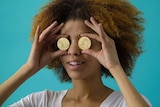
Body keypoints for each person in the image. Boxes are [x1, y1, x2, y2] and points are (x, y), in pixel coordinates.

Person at [0, 0, 152, 106]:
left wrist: (115, 66)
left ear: (107, 45)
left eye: (84, 40)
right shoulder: (41, 102)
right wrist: (29, 68)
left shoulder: (127, 103)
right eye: (65, 41)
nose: (73, 51)